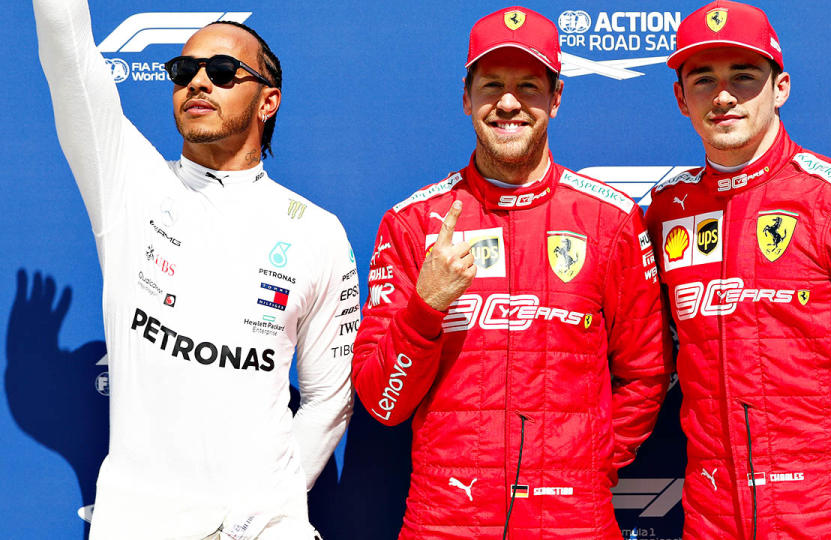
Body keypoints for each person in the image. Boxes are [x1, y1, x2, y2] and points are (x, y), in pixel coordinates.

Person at [33, 0, 358, 538]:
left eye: (224, 72)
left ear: (267, 101)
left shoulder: (317, 232)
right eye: (185, 72)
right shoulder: (128, 185)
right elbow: (66, 50)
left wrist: (258, 513)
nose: (199, 83)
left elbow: (329, 399)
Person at [352, 6, 669, 539]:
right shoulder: (412, 223)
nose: (507, 102)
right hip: (445, 520)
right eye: (492, 84)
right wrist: (424, 307)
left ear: (557, 97)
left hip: (574, 520)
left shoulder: (611, 220)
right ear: (466, 97)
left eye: (528, 84)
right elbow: (383, 402)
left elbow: (646, 373)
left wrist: (586, 467)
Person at [644, 2, 831, 539]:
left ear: (781, 88)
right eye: (703, 78)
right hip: (709, 517)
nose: (724, 95)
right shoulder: (669, 210)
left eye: (745, 77)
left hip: (822, 514)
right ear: (682, 98)